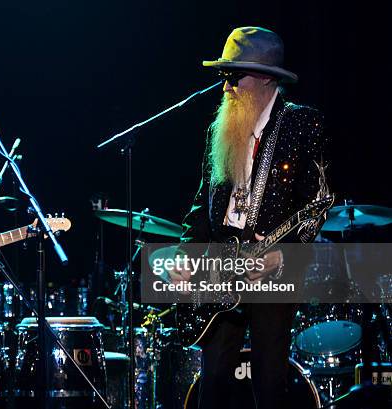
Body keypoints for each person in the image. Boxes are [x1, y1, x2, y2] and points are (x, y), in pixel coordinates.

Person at [170, 27, 329, 409]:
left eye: (233, 76)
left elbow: (317, 204)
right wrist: (187, 255)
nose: (225, 87)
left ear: (263, 79)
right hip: (220, 269)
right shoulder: (218, 130)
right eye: (223, 76)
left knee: (270, 380)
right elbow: (203, 206)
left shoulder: (302, 124)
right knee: (211, 385)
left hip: (271, 270)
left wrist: (283, 255)